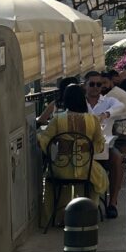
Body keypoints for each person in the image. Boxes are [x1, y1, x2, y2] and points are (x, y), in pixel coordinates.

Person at [37, 84, 109, 227]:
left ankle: (57, 216)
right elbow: (99, 145)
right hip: (85, 169)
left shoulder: (58, 119)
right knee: (98, 179)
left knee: (54, 184)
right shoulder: (92, 120)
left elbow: (44, 140)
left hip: (61, 169)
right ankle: (88, 214)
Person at [84, 70, 126, 216]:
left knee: (117, 158)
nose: (95, 87)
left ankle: (112, 202)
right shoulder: (80, 102)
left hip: (105, 147)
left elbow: (120, 106)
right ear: (85, 85)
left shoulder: (108, 101)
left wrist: (107, 114)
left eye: (99, 84)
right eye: (92, 84)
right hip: (84, 147)